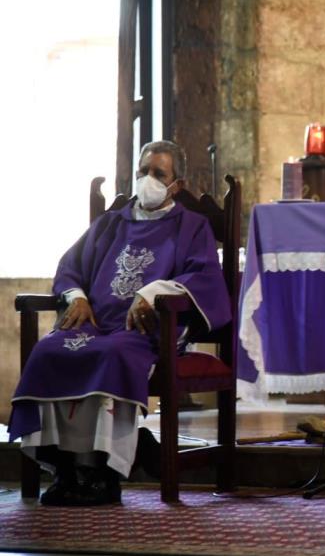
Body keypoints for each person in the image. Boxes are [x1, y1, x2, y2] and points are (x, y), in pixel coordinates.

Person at [9, 140, 230, 506]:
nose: (148, 180)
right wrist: (76, 297)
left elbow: (205, 276)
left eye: (159, 174)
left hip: (146, 332)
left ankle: (103, 474)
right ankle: (65, 469)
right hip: (94, 323)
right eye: (143, 172)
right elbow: (69, 267)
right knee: (49, 350)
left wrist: (153, 291)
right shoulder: (112, 222)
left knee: (112, 354)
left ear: (177, 184)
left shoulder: (192, 227)